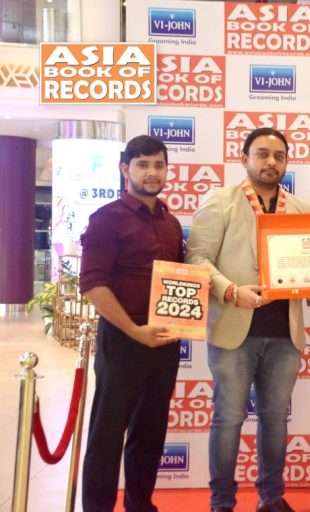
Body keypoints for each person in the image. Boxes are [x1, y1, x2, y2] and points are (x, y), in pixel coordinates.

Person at [185, 127, 310, 512]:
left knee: (275, 420)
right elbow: (196, 259)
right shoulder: (219, 202)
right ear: (245, 159)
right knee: (228, 419)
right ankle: (222, 502)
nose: (271, 162)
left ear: (287, 162)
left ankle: (271, 498)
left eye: (278, 156)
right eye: (262, 154)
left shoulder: (301, 210)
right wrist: (229, 290)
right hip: (233, 329)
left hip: (284, 333)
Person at [79, 135, 183, 512]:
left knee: (150, 433)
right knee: (107, 434)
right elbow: (92, 284)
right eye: (143, 164)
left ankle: (141, 504)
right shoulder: (106, 219)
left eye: (158, 165)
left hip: (165, 342)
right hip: (122, 341)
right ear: (125, 169)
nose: (152, 172)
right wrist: (134, 330)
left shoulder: (171, 222)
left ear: (167, 170)